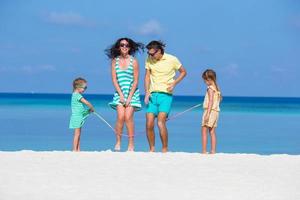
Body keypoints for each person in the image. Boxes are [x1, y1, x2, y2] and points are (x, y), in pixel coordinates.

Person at [144, 40, 187, 152]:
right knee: (149, 123)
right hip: (153, 95)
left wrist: (174, 83)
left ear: (159, 51)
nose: (150, 56)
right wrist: (147, 92)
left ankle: (164, 149)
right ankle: (152, 149)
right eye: (149, 54)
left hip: (166, 95)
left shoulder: (172, 59)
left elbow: (183, 72)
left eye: (152, 54)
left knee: (160, 122)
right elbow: (147, 77)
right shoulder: (149, 59)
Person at [106, 38, 143, 151]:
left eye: (127, 45)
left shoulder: (134, 61)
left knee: (128, 117)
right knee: (120, 117)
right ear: (118, 47)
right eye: (122, 45)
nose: (124, 47)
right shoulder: (114, 61)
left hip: (132, 93)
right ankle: (118, 142)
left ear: (130, 47)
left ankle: (131, 144)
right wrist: (121, 95)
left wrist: (129, 97)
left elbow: (136, 81)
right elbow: (114, 79)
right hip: (119, 93)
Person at [69, 77, 95, 152]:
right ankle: (74, 149)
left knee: (79, 134)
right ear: (78, 87)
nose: (85, 89)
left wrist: (89, 111)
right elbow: (86, 102)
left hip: (79, 116)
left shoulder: (75, 95)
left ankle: (78, 149)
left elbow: (80, 110)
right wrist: (91, 107)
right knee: (77, 134)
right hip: (77, 117)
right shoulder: (77, 95)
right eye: (84, 87)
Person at [201, 69, 222, 154]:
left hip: (210, 111)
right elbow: (218, 100)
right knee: (212, 131)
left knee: (204, 130)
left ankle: (204, 151)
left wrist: (207, 114)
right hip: (216, 112)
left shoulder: (210, 88)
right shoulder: (217, 88)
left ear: (208, 79)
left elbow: (210, 102)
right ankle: (213, 151)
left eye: (204, 80)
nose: (204, 82)